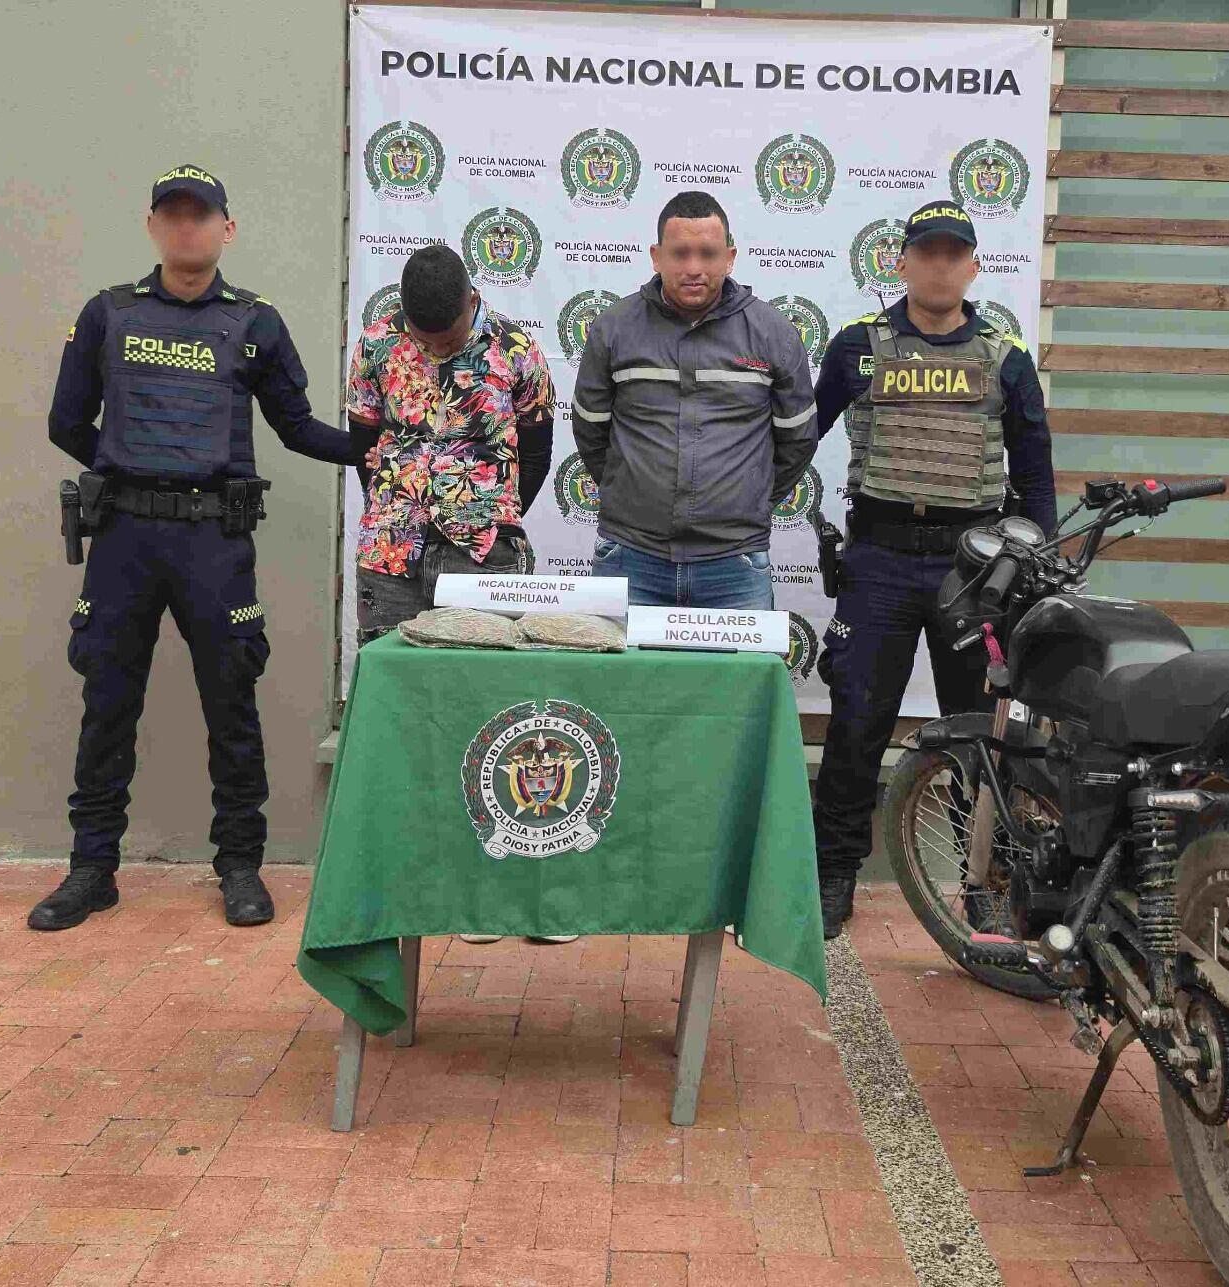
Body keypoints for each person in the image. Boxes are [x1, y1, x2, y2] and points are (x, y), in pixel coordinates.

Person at [34, 164, 368, 932]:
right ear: (153, 226)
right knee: (107, 703)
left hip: (215, 542)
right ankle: (92, 869)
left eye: (201, 214)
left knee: (232, 702)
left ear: (227, 228)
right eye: (173, 214)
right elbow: (65, 423)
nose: (188, 227)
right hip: (124, 540)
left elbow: (296, 427)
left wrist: (377, 448)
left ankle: (240, 867)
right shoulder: (108, 314)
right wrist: (126, 468)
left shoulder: (255, 323)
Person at [810, 199, 1057, 939]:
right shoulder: (858, 347)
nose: (940, 266)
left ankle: (986, 883)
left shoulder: (1005, 359)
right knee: (857, 724)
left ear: (973, 267)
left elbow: (1035, 474)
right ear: (902, 263)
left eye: (954, 254)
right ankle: (833, 873)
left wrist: (1038, 564)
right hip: (879, 561)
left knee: (980, 735)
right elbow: (798, 436)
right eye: (927, 253)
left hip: (973, 569)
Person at [344, 244, 570, 946]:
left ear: (472, 301)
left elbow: (537, 452)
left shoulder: (516, 350)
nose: (435, 347)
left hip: (483, 552)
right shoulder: (377, 345)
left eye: (445, 336)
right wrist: (401, 509)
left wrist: (489, 517)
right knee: (399, 709)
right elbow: (363, 443)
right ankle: (416, 882)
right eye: (424, 335)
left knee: (492, 710)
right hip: (391, 554)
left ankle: (501, 886)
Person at [570, 191, 817, 609]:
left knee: (741, 664)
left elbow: (798, 440)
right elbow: (591, 431)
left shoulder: (774, 334)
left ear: (730, 257)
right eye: (680, 253)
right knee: (618, 660)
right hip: (630, 557)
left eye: (708, 254)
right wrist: (631, 492)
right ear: (656, 256)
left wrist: (747, 499)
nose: (694, 268)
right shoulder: (613, 330)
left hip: (735, 564)